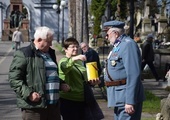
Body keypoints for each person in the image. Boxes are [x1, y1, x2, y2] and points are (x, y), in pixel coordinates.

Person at [9, 26, 69, 120]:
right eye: (49, 42)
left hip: (53, 107)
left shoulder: (50, 54)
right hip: (35, 109)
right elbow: (14, 79)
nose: (50, 44)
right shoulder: (24, 53)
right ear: (39, 40)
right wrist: (29, 93)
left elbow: (50, 75)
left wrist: (61, 84)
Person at [104, 20, 145, 120]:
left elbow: (133, 74)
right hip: (119, 96)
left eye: (107, 34)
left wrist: (130, 101)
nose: (106, 37)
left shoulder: (128, 45)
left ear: (115, 33)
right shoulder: (118, 46)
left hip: (126, 97)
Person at [58, 37, 101, 120]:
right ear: (65, 49)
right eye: (73, 47)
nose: (76, 48)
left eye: (77, 46)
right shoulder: (63, 61)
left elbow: (82, 79)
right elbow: (64, 67)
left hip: (82, 98)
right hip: (69, 100)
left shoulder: (79, 62)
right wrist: (74, 58)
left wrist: (92, 82)